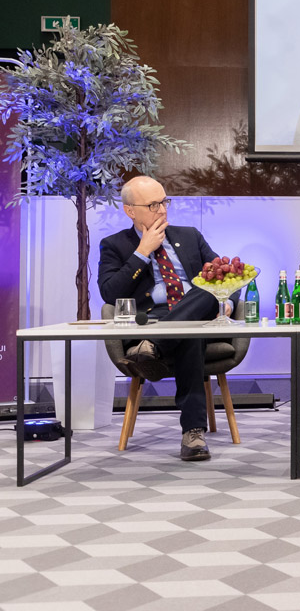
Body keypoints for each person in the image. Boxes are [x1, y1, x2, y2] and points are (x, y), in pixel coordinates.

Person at [98, 176, 234, 462]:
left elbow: (225, 274)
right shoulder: (114, 245)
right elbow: (110, 293)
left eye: (164, 202)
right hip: (154, 319)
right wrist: (142, 252)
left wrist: (227, 302)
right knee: (189, 334)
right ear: (130, 210)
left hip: (198, 311)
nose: (162, 210)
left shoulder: (190, 235)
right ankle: (193, 433)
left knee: (207, 290)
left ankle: (154, 345)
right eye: (153, 205)